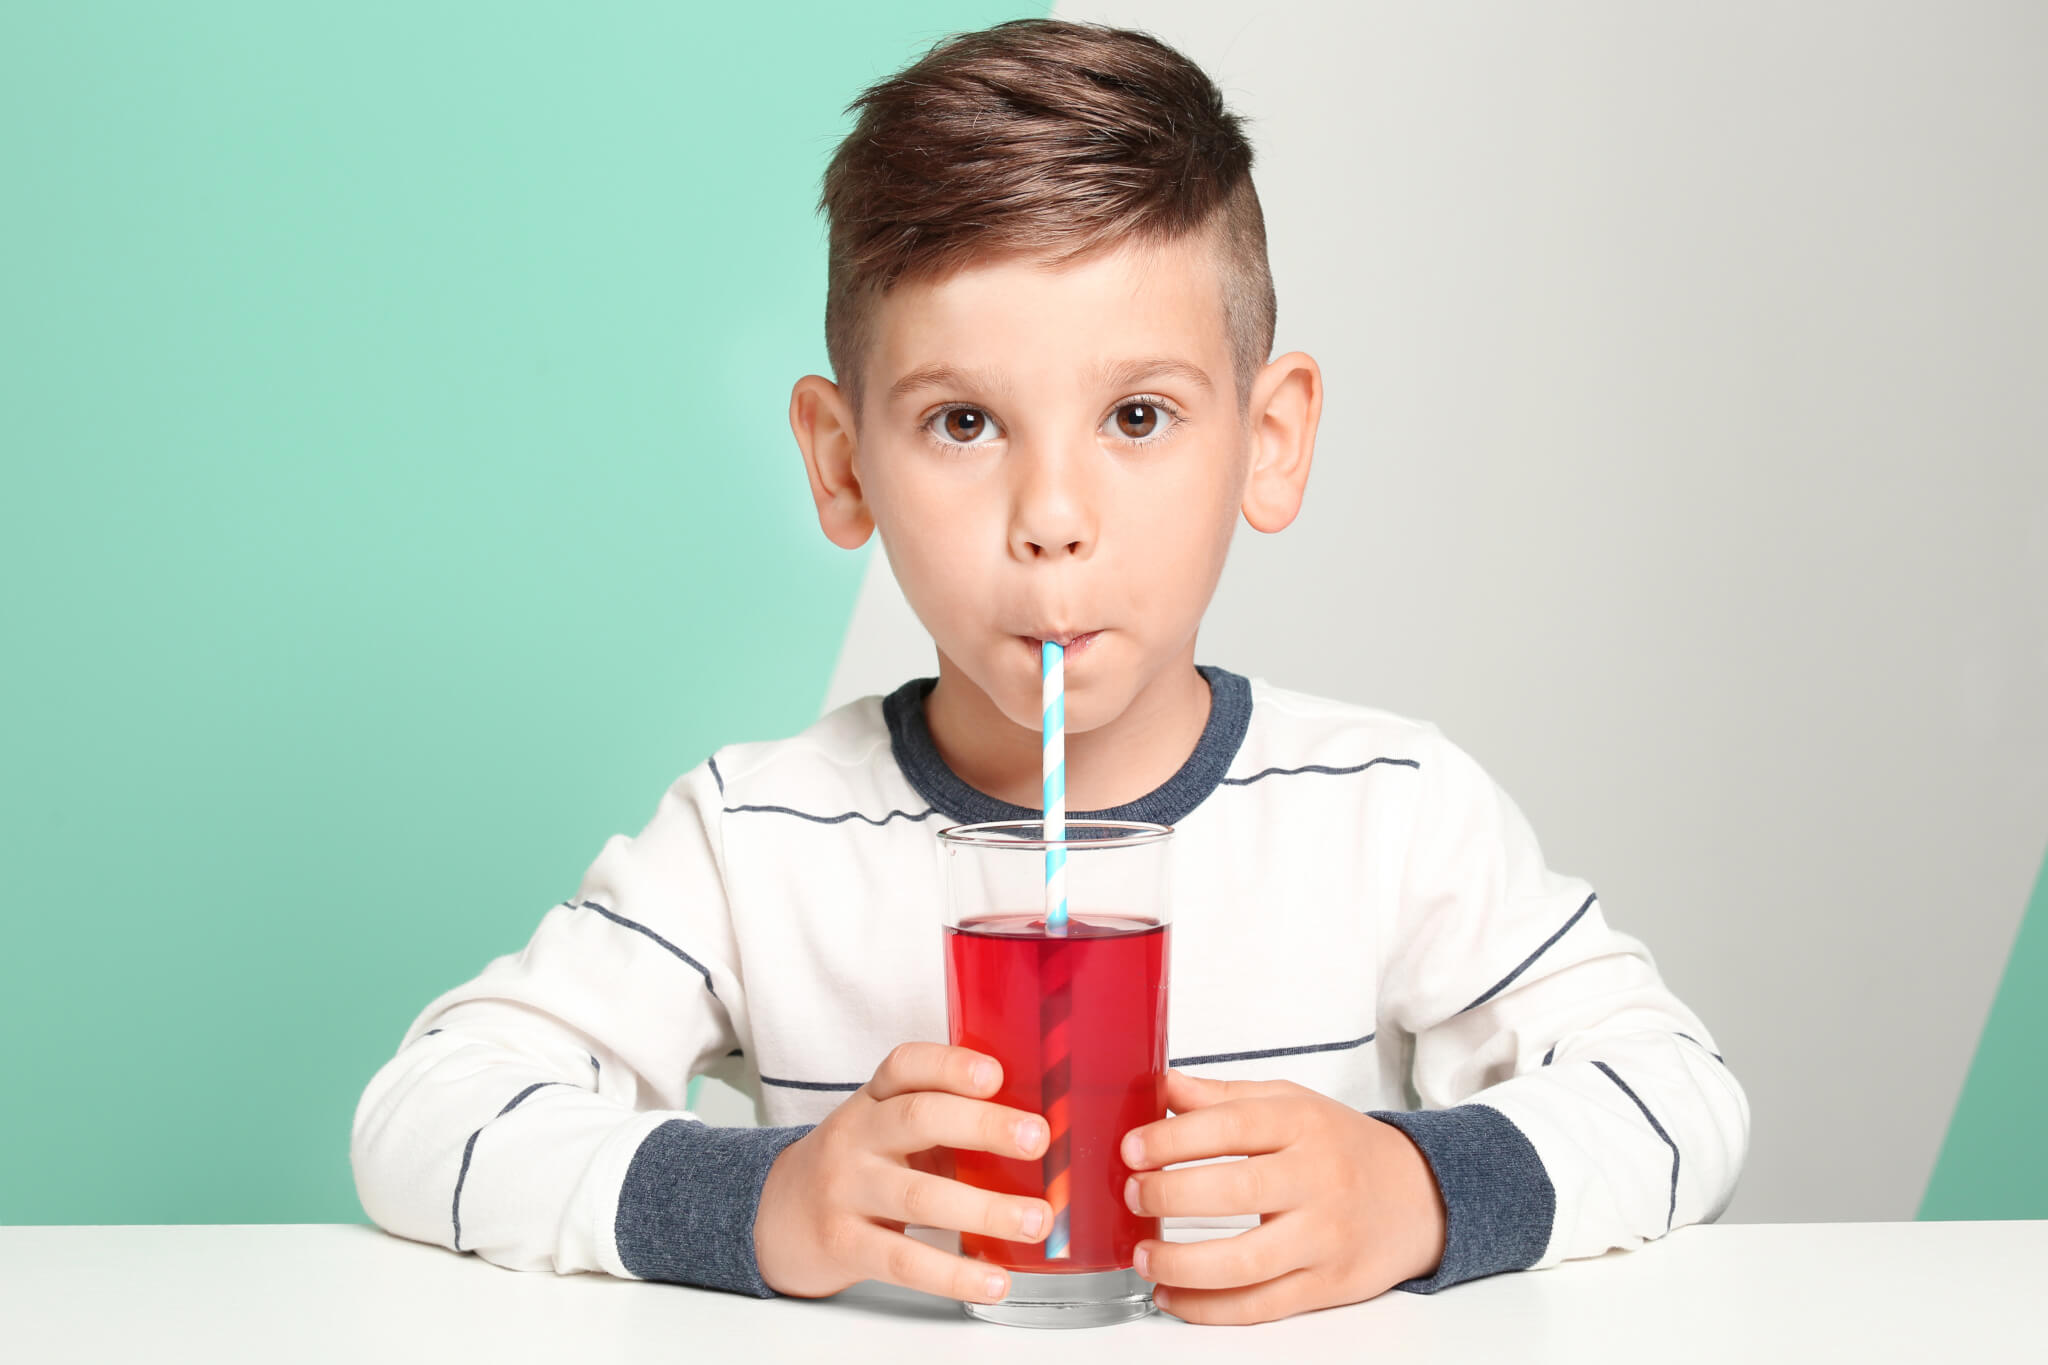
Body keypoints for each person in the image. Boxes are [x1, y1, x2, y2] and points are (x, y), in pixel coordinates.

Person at [350, 17, 1748, 1326]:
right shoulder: (754, 840)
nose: (1053, 512)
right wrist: (768, 1198)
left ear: (1269, 439)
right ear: (844, 464)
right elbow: (426, 1116)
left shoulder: (1387, 811)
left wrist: (1417, 1193)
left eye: (1138, 414)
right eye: (964, 421)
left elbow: (1680, 1094)